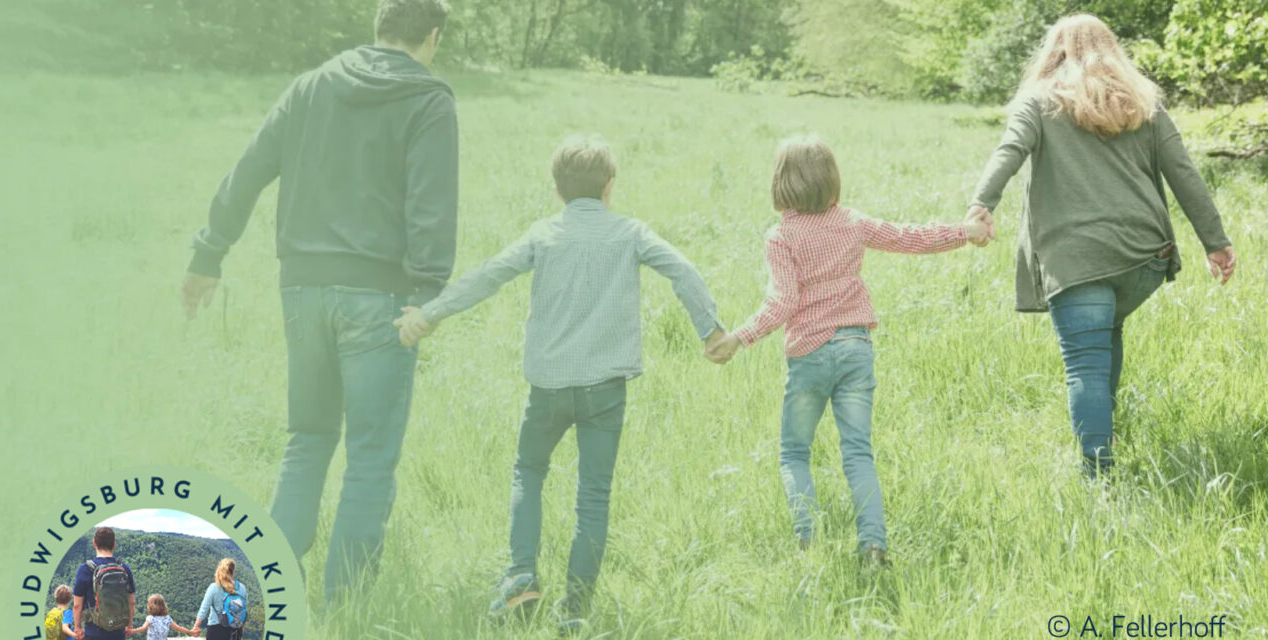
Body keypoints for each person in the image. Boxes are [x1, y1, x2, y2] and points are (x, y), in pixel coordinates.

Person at [179, 0, 459, 602]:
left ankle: (263, 592)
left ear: (377, 26)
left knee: (307, 439)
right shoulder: (429, 99)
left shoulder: (311, 86)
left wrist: (208, 255)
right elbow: (431, 208)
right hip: (381, 298)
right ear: (432, 36)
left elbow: (248, 170)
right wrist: (427, 297)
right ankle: (346, 605)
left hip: (302, 289)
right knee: (370, 456)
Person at [395, 135, 726, 634]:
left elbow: (488, 276)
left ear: (557, 189)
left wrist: (431, 313)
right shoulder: (631, 232)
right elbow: (682, 268)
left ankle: (521, 577)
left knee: (529, 471)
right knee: (593, 494)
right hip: (606, 390)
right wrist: (712, 331)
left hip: (548, 388)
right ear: (610, 186)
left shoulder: (543, 235)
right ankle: (575, 609)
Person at [967, 13, 1235, 476]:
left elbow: (1008, 151)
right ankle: (1104, 433)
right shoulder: (1143, 103)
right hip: (1144, 256)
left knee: (1085, 364)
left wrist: (980, 205)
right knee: (1106, 333)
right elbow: (1185, 173)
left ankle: (1098, 477)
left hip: (1077, 258)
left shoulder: (1038, 102)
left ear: (1053, 54)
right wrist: (1217, 242)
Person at [707, 134, 992, 566]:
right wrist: (965, 232)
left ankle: (808, 543)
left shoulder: (781, 237)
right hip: (857, 348)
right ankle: (873, 547)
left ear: (781, 182)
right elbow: (908, 237)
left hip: (810, 355)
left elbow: (781, 302)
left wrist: (738, 338)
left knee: (794, 453)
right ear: (830, 178)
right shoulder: (851, 222)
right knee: (858, 452)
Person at [71, 527, 136, 640]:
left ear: (94, 543)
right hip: (118, 633)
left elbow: (77, 606)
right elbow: (131, 602)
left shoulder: (85, 569)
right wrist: (129, 625)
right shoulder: (124, 568)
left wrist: (78, 628)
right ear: (114, 544)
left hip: (93, 633)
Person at [191, 559, 249, 640]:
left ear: (219, 570)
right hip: (236, 630)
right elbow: (244, 610)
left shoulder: (214, 587)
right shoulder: (241, 587)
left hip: (216, 630)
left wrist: (196, 627)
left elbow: (203, 609)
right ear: (233, 571)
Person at [128, 594, 197, 639]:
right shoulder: (167, 618)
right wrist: (190, 632)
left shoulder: (150, 618)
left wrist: (132, 631)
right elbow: (178, 628)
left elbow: (143, 629)